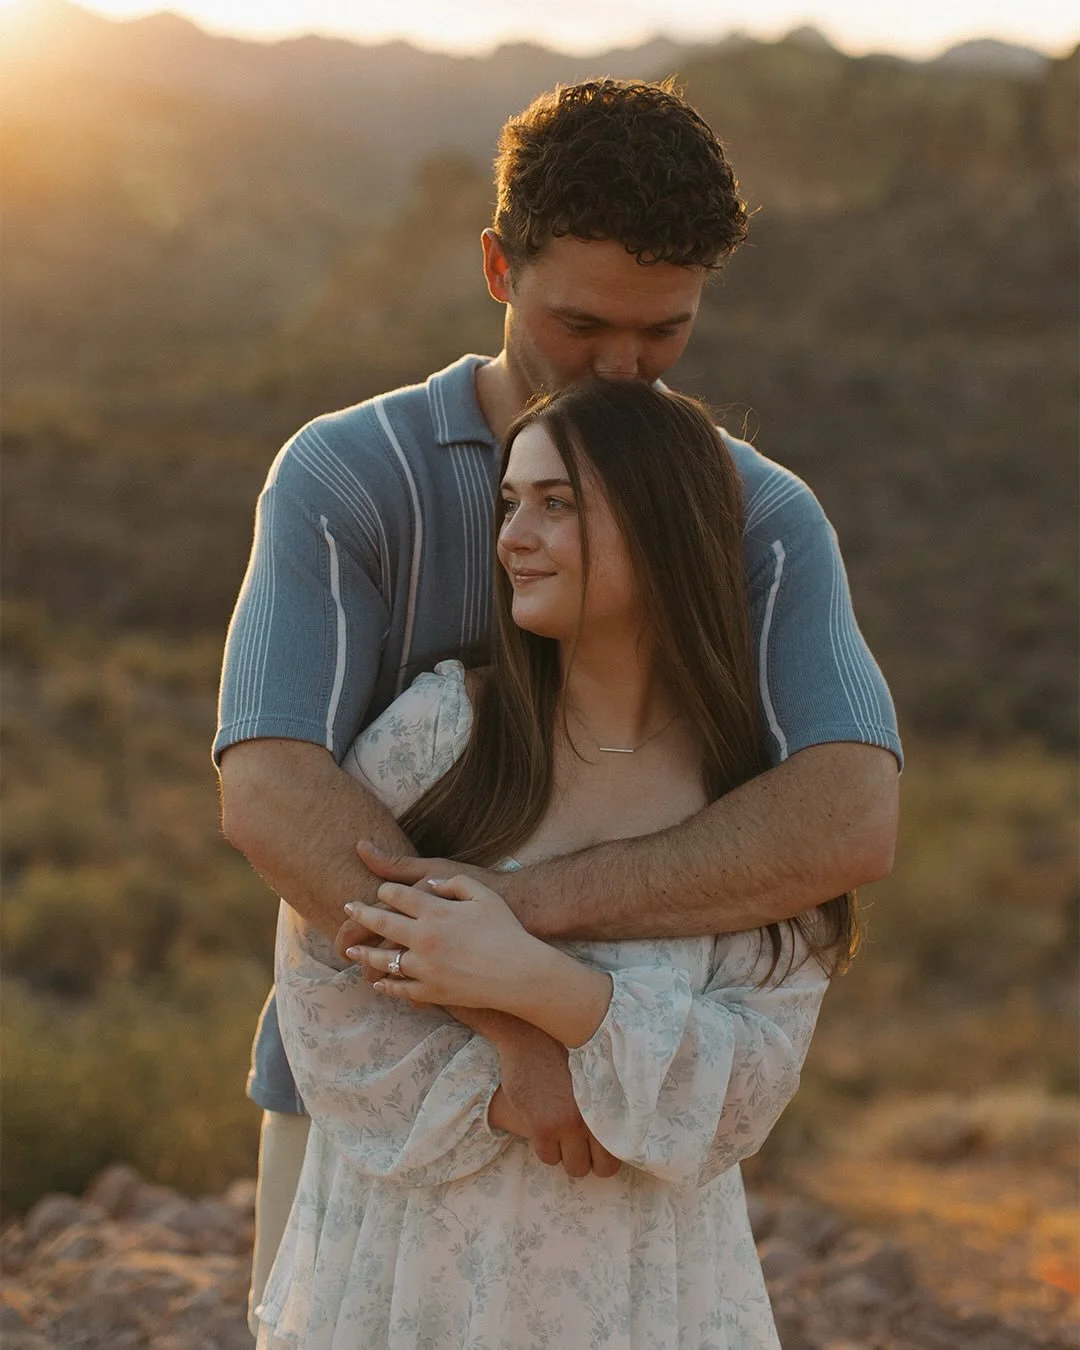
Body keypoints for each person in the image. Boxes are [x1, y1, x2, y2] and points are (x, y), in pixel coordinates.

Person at [214, 78, 902, 1333]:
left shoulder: (763, 521)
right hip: (378, 1113)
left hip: (634, 1147)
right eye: (585, 323)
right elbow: (270, 790)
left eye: (666, 331)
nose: (626, 369)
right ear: (497, 266)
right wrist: (511, 1030)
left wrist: (519, 926)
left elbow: (848, 820)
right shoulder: (345, 477)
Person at [255, 379, 853, 1349]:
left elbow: (746, 1088)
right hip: (420, 1274)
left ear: (664, 525)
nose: (511, 539)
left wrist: (541, 985)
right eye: (509, 504)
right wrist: (503, 1080)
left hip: (638, 1291)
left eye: (556, 504)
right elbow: (323, 976)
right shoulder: (439, 735)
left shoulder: (750, 802)